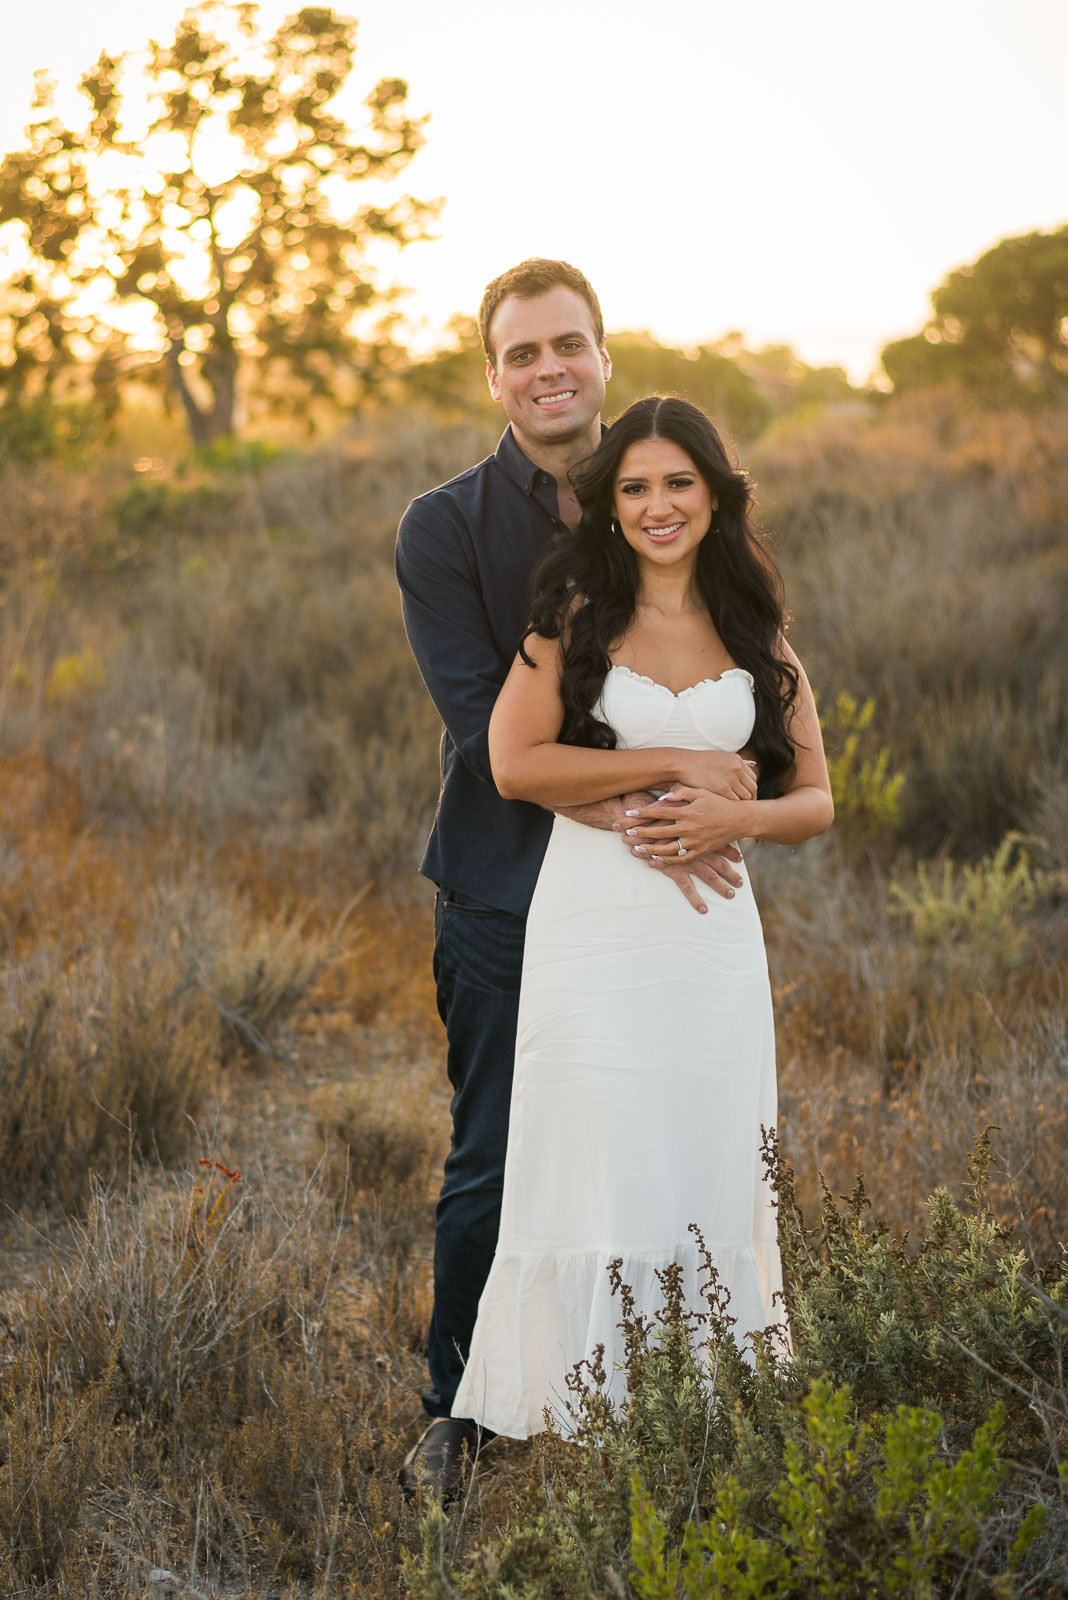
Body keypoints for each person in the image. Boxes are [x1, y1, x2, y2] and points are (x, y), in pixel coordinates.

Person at [395, 262, 751, 1496]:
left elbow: (739, 664)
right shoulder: (443, 528)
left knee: (661, 1136)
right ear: (491, 373)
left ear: (603, 356)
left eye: (570, 345)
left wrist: (728, 797)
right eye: (522, 352)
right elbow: (485, 735)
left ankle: (653, 1388)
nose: (550, 368)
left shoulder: (659, 495)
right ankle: (460, 1411)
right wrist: (676, 798)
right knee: (497, 1152)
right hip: (508, 894)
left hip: (658, 897)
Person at [450, 395, 833, 1439]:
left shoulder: (756, 624)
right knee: (602, 1145)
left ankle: (711, 1413)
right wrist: (670, 763)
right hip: (593, 925)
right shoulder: (576, 614)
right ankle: (580, 1412)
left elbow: (817, 800)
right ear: (609, 506)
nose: (659, 506)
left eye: (679, 483)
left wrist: (732, 811)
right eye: (635, 487)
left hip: (708, 939)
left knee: (705, 1147)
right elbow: (514, 762)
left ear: (714, 492)